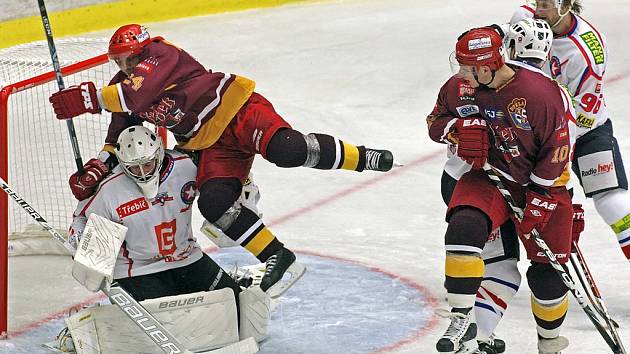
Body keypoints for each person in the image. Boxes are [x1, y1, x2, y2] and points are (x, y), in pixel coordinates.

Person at [48, 24, 395, 297]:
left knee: (286, 150)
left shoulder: (161, 54)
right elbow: (119, 134)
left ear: (143, 50)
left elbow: (141, 91)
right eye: (120, 61)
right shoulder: (121, 87)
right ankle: (278, 256)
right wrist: (99, 166)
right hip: (209, 144)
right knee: (214, 204)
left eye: (130, 58)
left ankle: (364, 157)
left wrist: (88, 98)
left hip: (237, 108)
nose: (126, 66)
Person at [427, 27, 575, 354]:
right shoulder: (459, 88)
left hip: (543, 188)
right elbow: (435, 121)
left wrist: (541, 195)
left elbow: (559, 149)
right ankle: (463, 318)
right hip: (490, 177)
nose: (461, 73)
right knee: (464, 224)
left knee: (547, 277)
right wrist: (457, 130)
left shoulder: (540, 94)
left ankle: (550, 342)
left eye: (468, 67)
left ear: (488, 66)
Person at [64, 125, 270, 352]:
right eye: (134, 168)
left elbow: (226, 176)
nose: (142, 173)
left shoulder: (186, 166)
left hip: (187, 258)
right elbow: (79, 221)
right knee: (161, 331)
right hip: (136, 271)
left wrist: (243, 187)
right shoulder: (109, 189)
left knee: (240, 306)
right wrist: (83, 244)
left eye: (147, 164)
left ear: (159, 155)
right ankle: (79, 331)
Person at [515, 0, 630, 261]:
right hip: (532, 129)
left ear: (565, 6)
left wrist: (550, 145)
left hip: (584, 132)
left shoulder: (585, 51)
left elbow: (586, 116)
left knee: (612, 203)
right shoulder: (524, 16)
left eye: (544, 6)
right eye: (537, 3)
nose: (537, 11)